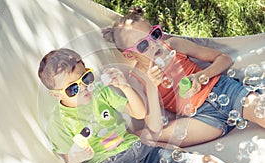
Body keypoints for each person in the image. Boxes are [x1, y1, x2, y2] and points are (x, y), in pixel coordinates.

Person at [38, 48, 265, 163]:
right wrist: (76, 157)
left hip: (141, 152)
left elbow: (139, 112)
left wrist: (125, 87)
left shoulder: (101, 93)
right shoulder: (58, 123)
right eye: (72, 88)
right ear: (55, 95)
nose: (84, 87)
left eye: (86, 78)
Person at [102, 6, 265, 147]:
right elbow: (155, 126)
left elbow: (224, 58)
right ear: (130, 56)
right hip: (201, 119)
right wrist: (152, 86)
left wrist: (202, 76)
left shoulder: (174, 45)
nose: (154, 44)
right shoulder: (137, 78)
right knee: (142, 137)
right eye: (143, 45)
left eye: (154, 35)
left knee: (261, 113)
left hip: (223, 91)